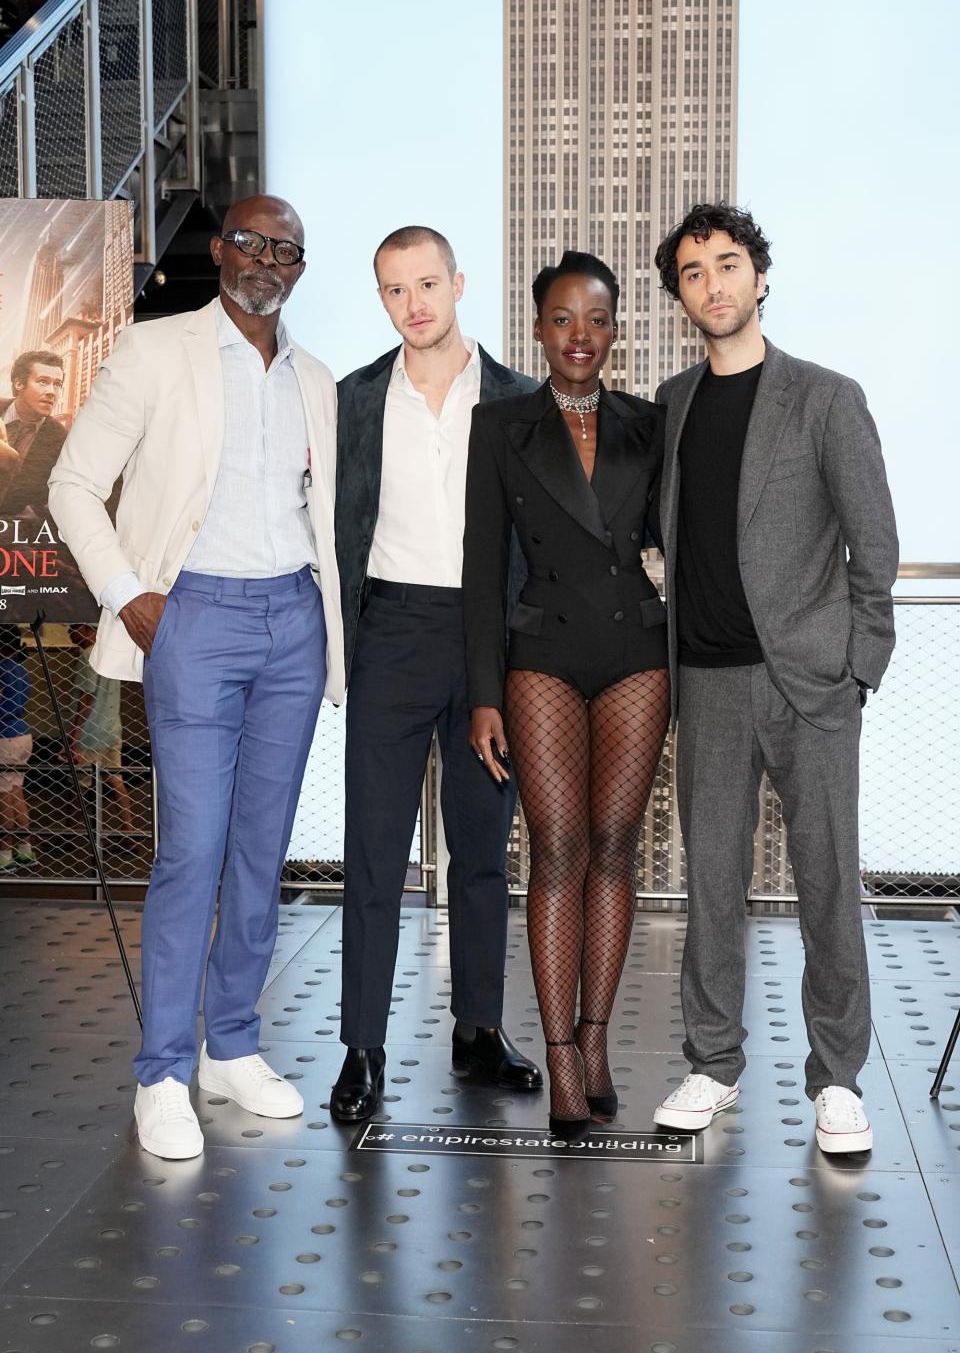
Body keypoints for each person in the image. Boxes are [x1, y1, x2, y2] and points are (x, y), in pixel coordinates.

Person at [49, 194, 344, 1160]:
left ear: (300, 267)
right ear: (220, 251)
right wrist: (131, 594)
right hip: (192, 619)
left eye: (286, 248)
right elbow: (72, 485)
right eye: (251, 241)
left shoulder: (317, 379)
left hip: (292, 620)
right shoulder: (157, 350)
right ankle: (163, 1072)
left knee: (262, 853)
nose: (267, 258)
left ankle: (232, 1046)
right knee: (192, 851)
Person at [650, 203, 898, 1153]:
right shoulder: (671, 405)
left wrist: (856, 671)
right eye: (693, 271)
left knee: (828, 885)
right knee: (709, 887)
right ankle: (713, 1064)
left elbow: (874, 549)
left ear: (760, 276)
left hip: (812, 686)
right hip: (705, 687)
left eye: (727, 263)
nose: (713, 283)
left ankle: (837, 1080)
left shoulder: (826, 399)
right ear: (681, 296)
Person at [332, 225, 542, 1122]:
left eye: (426, 284)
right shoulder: (352, 400)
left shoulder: (519, 400)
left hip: (486, 639)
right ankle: (362, 1048)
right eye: (393, 290)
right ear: (381, 300)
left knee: (482, 852)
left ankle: (478, 1031)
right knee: (375, 851)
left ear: (457, 284)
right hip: (390, 631)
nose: (413, 304)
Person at [463, 251, 670, 1135]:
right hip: (541, 650)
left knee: (616, 847)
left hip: (635, 648)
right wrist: (482, 694)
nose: (579, 334)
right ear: (538, 328)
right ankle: (556, 1059)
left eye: (596, 318)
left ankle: (595, 1041)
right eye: (562, 318)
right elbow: (480, 570)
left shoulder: (650, 425)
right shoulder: (499, 426)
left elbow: (685, 536)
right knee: (558, 850)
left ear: (616, 329)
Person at [67, 623, 134, 837]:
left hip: (90, 732)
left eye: (74, 627)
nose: (70, 632)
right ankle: (128, 829)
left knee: (78, 784)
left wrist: (74, 734)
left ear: (88, 630)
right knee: (115, 779)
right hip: (112, 727)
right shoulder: (109, 654)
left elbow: (86, 697)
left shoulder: (87, 657)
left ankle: (69, 830)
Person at [1, 350, 67, 515]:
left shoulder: (62, 442)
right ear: (19, 384)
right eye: (43, 382)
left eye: (57, 384)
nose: (52, 391)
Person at [0, 623, 34, 870]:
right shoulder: (21, 669)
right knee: (16, 791)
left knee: (2, 795)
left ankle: (3, 854)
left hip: (3, 735)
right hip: (23, 733)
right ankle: (25, 850)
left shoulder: (1, 668)